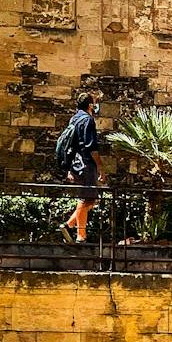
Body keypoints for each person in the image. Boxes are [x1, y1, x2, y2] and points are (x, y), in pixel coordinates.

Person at [57, 93, 105, 244]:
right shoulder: (88, 120)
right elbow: (91, 147)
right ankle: (80, 236)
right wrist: (100, 166)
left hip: (76, 164)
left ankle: (69, 225)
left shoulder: (74, 119)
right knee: (87, 199)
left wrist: (70, 168)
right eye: (95, 103)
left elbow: (71, 145)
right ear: (90, 105)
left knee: (89, 200)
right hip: (86, 164)